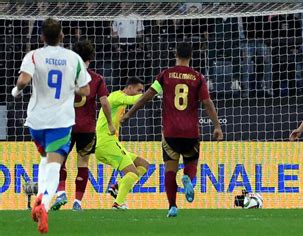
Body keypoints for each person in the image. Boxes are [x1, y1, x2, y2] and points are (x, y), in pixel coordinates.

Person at [122, 42, 223, 217]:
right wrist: (217, 126)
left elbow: (147, 97)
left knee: (170, 168)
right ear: (191, 56)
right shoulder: (198, 77)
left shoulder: (165, 75)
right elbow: (207, 103)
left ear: (175, 54)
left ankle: (172, 206)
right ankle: (188, 179)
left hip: (170, 132)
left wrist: (129, 114)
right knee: (191, 163)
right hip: (190, 131)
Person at [12, 18, 91, 233]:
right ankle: (44, 204)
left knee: (45, 158)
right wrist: (70, 88)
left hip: (37, 121)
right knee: (55, 164)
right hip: (61, 121)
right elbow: (85, 91)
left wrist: (16, 91)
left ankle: (40, 197)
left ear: (42, 37)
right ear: (62, 36)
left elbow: (23, 80)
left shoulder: (34, 55)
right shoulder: (73, 58)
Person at [50, 40, 115, 211]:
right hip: (86, 129)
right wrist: (110, 123)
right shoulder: (97, 79)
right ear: (90, 59)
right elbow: (105, 102)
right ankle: (77, 202)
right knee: (83, 163)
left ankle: (61, 192)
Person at [93, 77, 150, 210]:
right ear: (129, 88)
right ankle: (118, 203)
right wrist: (152, 93)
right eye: (138, 90)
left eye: (142, 91)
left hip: (111, 143)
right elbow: (133, 100)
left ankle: (117, 187)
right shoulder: (117, 96)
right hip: (107, 143)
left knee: (143, 165)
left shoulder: (118, 100)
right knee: (133, 173)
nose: (140, 93)